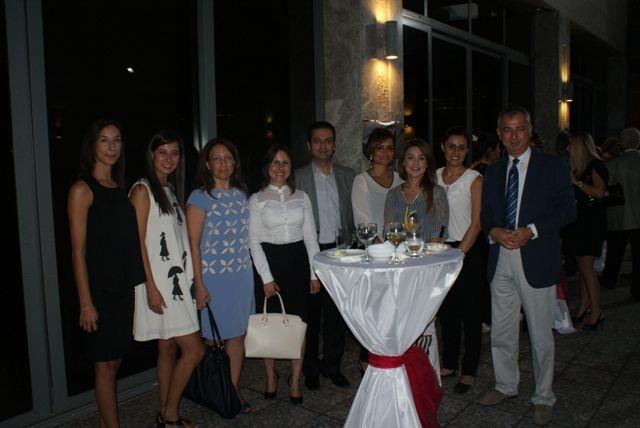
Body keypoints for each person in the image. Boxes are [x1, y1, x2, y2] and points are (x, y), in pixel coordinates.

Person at [478, 107, 576, 426]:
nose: (514, 135)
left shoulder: (552, 166)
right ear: (499, 134)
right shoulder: (493, 171)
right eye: (507, 130)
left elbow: (568, 210)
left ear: (530, 131)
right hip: (501, 258)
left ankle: (544, 396)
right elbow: (486, 215)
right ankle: (505, 385)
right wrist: (494, 231)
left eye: (520, 128)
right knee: (502, 330)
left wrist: (531, 231)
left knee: (540, 335)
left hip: (536, 257)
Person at [67, 119, 145, 427]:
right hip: (98, 291)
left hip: (121, 288)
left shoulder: (119, 188)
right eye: (104, 140)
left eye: (117, 140)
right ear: (92, 145)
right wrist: (86, 303)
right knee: (105, 366)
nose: (112, 147)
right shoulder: (82, 190)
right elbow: (77, 252)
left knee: (115, 361)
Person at [186, 138, 255, 412]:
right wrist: (199, 284)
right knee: (214, 339)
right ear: (207, 164)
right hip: (213, 278)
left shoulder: (242, 195)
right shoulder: (200, 197)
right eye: (216, 158)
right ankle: (214, 390)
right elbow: (193, 245)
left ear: (235, 163)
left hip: (241, 275)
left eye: (228, 158)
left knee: (237, 336)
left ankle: (232, 391)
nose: (223, 163)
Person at [249, 144, 320, 404]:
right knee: (270, 323)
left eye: (285, 162)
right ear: (267, 167)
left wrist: (314, 274)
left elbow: (311, 238)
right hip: (269, 263)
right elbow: (253, 241)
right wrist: (266, 278)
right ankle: (270, 376)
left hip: (298, 264)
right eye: (275, 162)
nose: (280, 167)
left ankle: (295, 379)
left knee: (299, 325)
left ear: (291, 167)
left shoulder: (302, 196)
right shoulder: (257, 199)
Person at [295, 121, 355, 390]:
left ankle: (332, 365)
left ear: (334, 144)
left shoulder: (347, 175)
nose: (323, 146)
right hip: (311, 251)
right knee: (310, 315)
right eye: (317, 141)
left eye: (328, 140)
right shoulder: (297, 177)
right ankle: (310, 369)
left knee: (336, 315)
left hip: (340, 251)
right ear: (309, 145)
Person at [435, 127, 483, 394]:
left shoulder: (474, 179)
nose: (455, 151)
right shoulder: (434, 176)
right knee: (447, 311)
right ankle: (450, 363)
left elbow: (476, 223)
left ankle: (469, 370)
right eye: (451, 146)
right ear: (443, 147)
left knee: (471, 313)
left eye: (461, 147)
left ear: (467, 151)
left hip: (467, 249)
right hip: (441, 250)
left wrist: (459, 253)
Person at [562, 132, 608, 328]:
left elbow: (599, 192)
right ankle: (585, 305)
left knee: (588, 268)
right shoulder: (580, 167)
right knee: (583, 266)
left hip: (590, 223)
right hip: (579, 222)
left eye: (570, 145)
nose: (567, 149)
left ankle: (597, 311)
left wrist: (577, 183)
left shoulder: (595, 165)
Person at [601, 127, 640, 300]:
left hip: (619, 214)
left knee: (615, 250)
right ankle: (637, 288)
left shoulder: (613, 164)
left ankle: (609, 279)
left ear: (622, 143)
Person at [383, 139, 448, 243]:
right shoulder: (392, 194)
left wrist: (426, 253)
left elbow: (439, 231)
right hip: (398, 252)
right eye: (410, 157)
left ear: (427, 163)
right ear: (403, 162)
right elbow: (389, 231)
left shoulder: (437, 193)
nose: (415, 163)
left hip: (429, 252)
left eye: (421, 158)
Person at [352, 128, 404, 241]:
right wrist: (379, 246)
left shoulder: (400, 180)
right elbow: (362, 221)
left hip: (400, 244)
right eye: (379, 147)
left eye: (389, 148)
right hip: (374, 246)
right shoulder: (362, 181)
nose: (385, 152)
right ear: (371, 151)